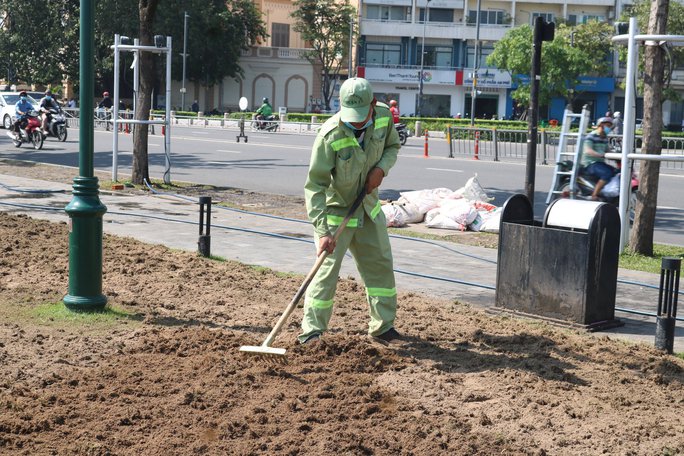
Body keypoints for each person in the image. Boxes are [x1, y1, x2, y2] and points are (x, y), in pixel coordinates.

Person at [299, 77, 402, 346]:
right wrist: (322, 232)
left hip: (368, 209)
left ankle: (382, 327)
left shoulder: (383, 117)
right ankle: (312, 333)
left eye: (360, 115)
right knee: (324, 275)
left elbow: (392, 146)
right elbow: (315, 186)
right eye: (350, 115)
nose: (355, 122)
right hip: (336, 214)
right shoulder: (330, 135)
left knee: (380, 267)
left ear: (372, 105)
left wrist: (380, 170)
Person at [581, 117, 617, 200]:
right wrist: (601, 155)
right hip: (590, 163)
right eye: (607, 125)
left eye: (610, 126)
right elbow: (588, 150)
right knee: (607, 173)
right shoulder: (591, 136)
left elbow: (608, 150)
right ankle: (594, 195)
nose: (609, 128)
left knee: (616, 172)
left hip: (600, 163)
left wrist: (618, 156)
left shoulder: (604, 138)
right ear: (601, 125)